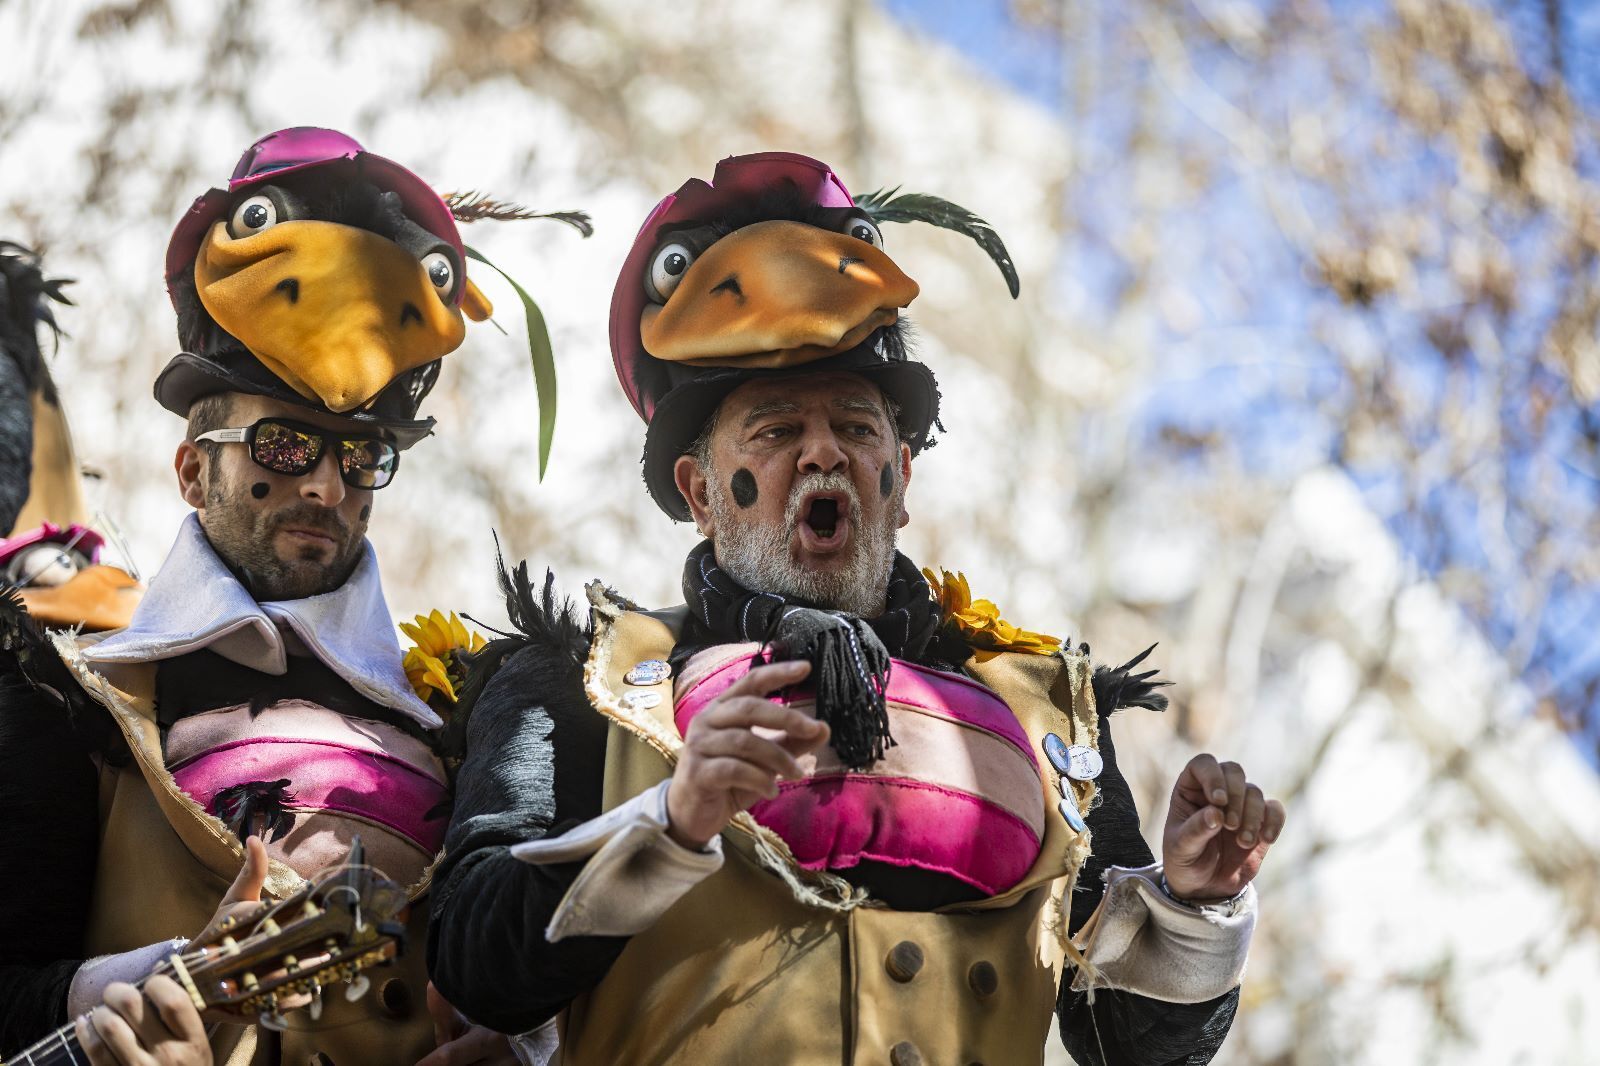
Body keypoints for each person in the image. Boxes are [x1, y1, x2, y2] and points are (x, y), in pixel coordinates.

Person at [428, 152, 1286, 1065]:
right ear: (702, 491)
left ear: (900, 477)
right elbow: (476, 962)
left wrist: (1195, 902)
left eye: (856, 426)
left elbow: (1131, 1047)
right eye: (776, 429)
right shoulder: (580, 680)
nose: (822, 454)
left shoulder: (1046, 714)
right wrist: (669, 823)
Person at [0, 127, 532, 1065]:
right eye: (284, 445)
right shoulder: (69, 701)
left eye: (361, 456)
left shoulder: (466, 716)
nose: (325, 485)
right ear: (192, 473)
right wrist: (129, 996)